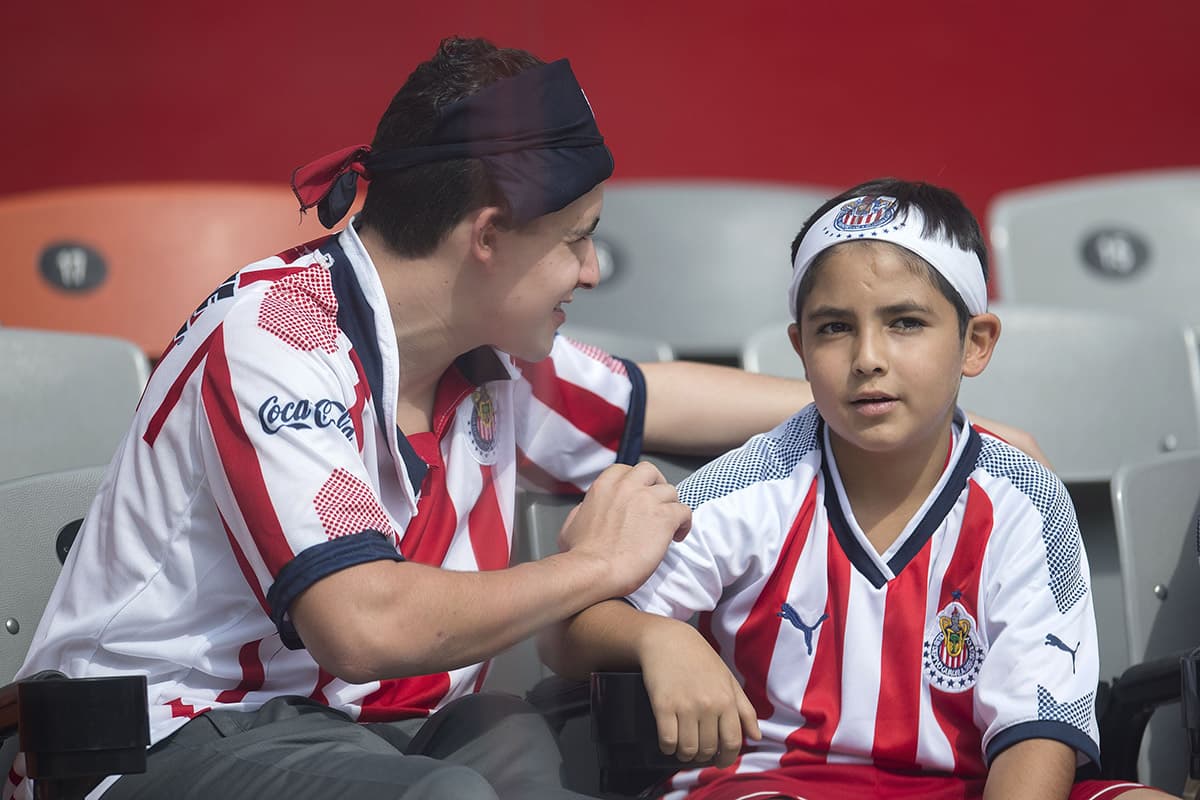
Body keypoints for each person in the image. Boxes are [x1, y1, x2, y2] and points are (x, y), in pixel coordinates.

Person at [7, 39, 1046, 800]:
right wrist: (596, 569)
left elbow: (658, 398)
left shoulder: (492, 346)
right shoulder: (278, 332)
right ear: (489, 236)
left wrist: (925, 422)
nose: (592, 271)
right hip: (160, 744)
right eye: (579, 239)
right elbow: (362, 626)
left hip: (373, 738)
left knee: (611, 754)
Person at [541, 179, 1177, 800]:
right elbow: (566, 633)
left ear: (975, 343)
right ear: (799, 346)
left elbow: (1036, 740)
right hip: (775, 783)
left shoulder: (1026, 500)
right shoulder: (747, 488)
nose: (868, 356)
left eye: (905, 322)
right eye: (834, 328)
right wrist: (658, 636)